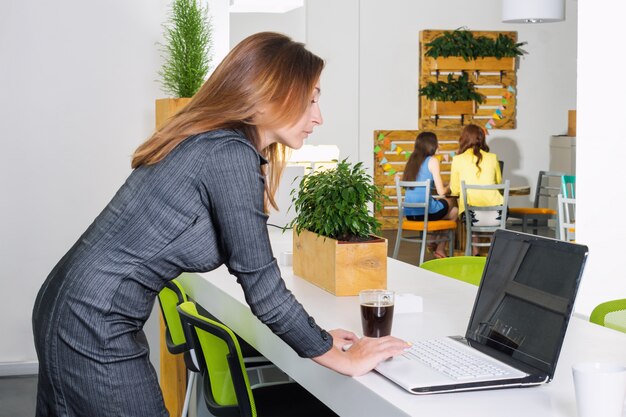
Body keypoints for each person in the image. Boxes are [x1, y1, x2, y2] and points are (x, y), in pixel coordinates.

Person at [32, 32, 409, 417]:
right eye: (310, 99)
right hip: (92, 322)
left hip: (71, 307)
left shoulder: (216, 144)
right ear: (270, 94)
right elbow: (265, 292)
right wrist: (344, 359)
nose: (318, 116)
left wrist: (318, 339)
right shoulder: (227, 153)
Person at [401, 131, 458, 258]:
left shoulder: (411, 161)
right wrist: (451, 186)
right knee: (453, 208)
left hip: (410, 214)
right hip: (424, 213)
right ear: (431, 145)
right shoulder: (432, 161)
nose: (440, 146)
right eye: (438, 143)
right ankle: (439, 247)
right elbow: (441, 192)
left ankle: (434, 240)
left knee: (449, 211)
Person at [449, 124, 503, 256]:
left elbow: (455, 190)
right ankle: (494, 252)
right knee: (485, 209)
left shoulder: (457, 159)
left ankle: (475, 251)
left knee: (470, 209)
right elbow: (498, 183)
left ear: (464, 139)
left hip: (472, 216)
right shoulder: (492, 157)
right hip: (497, 214)